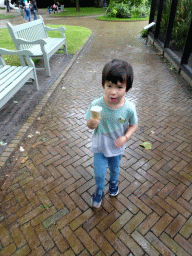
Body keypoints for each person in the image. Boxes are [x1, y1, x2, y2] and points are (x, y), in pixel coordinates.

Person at [85, 59, 138, 208]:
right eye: (109, 86)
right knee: (99, 173)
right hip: (100, 147)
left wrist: (125, 137)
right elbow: (88, 124)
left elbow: (134, 125)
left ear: (127, 88)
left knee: (115, 169)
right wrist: (91, 123)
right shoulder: (95, 105)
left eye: (119, 87)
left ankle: (114, 183)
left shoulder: (129, 108)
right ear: (103, 84)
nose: (113, 91)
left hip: (116, 147)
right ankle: (100, 190)